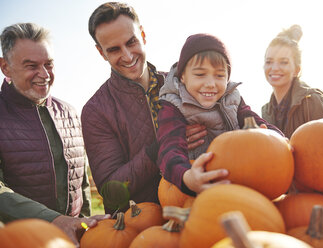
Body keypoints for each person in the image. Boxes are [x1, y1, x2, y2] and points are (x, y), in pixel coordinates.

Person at [82, 2, 206, 215]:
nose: (128, 56)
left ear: (143, 35)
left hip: (197, 210)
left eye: (131, 42)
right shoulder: (95, 111)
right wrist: (161, 148)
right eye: (113, 49)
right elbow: (111, 191)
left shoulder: (182, 85)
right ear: (101, 53)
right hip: (139, 226)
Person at [0, 22, 109, 247]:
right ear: (6, 67)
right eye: (31, 66)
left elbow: (81, 183)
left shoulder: (69, 112)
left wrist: (85, 228)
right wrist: (55, 220)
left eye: (48, 64)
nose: (44, 74)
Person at [157, 33, 283, 195]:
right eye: (200, 74)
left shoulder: (232, 98)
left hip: (240, 177)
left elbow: (254, 122)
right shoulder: (173, 105)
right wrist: (187, 176)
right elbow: (169, 148)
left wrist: (278, 139)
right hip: (199, 186)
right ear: (182, 76)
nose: (210, 84)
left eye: (219, 75)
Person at [261, 24, 323, 138]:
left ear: (297, 70)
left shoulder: (312, 101)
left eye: (283, 62)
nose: (274, 68)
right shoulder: (266, 111)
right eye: (269, 61)